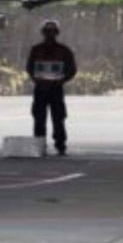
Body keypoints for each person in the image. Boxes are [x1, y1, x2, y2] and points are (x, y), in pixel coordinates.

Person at [26, 19, 77, 156]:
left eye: (52, 31)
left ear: (57, 33)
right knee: (39, 118)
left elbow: (71, 69)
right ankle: (39, 145)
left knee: (58, 118)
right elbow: (30, 68)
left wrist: (61, 81)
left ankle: (60, 145)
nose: (49, 34)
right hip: (40, 89)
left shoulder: (64, 51)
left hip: (56, 89)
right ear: (43, 33)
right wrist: (37, 80)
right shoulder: (36, 50)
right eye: (47, 31)